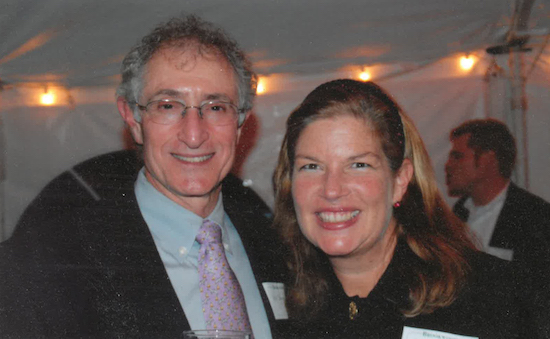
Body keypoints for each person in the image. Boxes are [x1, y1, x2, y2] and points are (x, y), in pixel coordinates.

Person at [0, 15, 288, 338]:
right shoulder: (49, 263)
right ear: (134, 119)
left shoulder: (277, 248)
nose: (194, 135)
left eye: (216, 107)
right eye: (167, 106)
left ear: (241, 122)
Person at [272, 79, 531, 338]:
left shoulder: (490, 294)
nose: (331, 189)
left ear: (400, 180)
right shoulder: (277, 304)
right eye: (311, 166)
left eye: (359, 165)